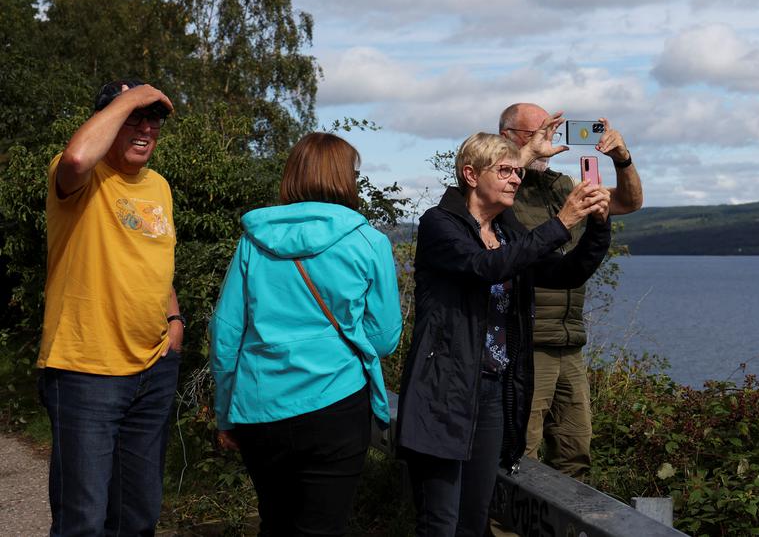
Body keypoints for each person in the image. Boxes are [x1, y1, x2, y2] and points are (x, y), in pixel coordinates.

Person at [396, 130, 612, 537]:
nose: (516, 179)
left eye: (518, 170)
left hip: (494, 391)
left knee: (474, 519)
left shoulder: (509, 235)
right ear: (471, 175)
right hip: (445, 390)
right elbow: (486, 267)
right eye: (506, 171)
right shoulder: (440, 225)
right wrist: (561, 222)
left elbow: (567, 272)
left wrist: (598, 226)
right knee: (440, 522)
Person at [209, 132, 403, 536]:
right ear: (345, 179)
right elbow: (384, 339)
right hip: (336, 402)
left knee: (275, 522)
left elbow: (227, 333)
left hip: (260, 405)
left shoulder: (254, 241)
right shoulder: (369, 242)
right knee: (323, 527)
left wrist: (226, 412)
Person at [37, 78, 182, 537]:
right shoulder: (79, 174)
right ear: (110, 118)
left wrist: (174, 318)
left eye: (153, 119)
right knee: (83, 520)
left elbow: (154, 260)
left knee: (137, 517)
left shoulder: (159, 186)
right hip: (86, 370)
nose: (144, 127)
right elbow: (80, 156)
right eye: (131, 117)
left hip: (153, 369)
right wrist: (135, 96)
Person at [498, 103, 644, 481]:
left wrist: (622, 159)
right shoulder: (501, 187)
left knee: (575, 453)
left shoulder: (563, 186)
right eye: (535, 132)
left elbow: (629, 202)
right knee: (519, 456)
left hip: (569, 342)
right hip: (526, 344)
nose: (546, 139)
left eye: (551, 130)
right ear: (507, 137)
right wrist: (525, 156)